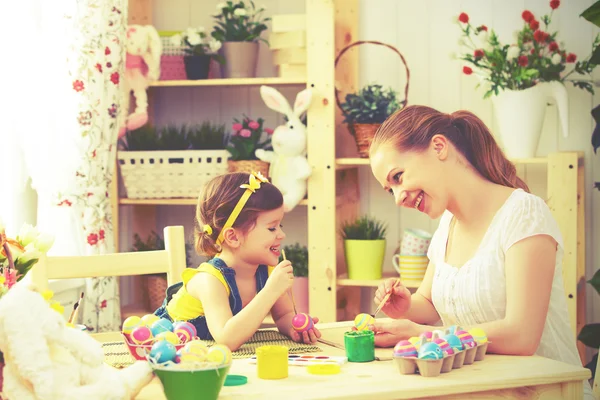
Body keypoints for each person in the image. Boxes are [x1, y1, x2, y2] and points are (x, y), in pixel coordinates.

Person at [368, 105, 593, 398]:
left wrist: (422, 334)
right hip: (481, 389)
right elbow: (430, 300)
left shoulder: (523, 214)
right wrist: (406, 307)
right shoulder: (448, 225)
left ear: (439, 147)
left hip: (546, 392)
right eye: (390, 190)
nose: (398, 199)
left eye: (397, 177)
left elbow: (522, 335)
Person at [154, 171, 321, 351]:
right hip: (169, 349)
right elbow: (227, 340)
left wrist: (294, 327)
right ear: (233, 237)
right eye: (272, 228)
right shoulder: (210, 281)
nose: (281, 234)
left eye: (280, 226)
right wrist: (271, 290)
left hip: (210, 355)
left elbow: (283, 315)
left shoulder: (266, 271)